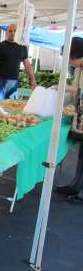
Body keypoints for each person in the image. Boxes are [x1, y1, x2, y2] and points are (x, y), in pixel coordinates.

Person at [55, 37, 83, 203]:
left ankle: (79, 193)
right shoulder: (78, 69)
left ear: (73, 54)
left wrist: (70, 88)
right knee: (82, 156)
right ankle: (75, 186)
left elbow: (77, 90)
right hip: (80, 117)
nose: (69, 62)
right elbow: (75, 94)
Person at [0, 24, 37, 100]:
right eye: (10, 31)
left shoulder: (22, 47)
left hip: (14, 82)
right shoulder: (0, 46)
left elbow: (27, 65)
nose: (12, 33)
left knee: (11, 106)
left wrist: (33, 80)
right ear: (6, 32)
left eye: (15, 31)